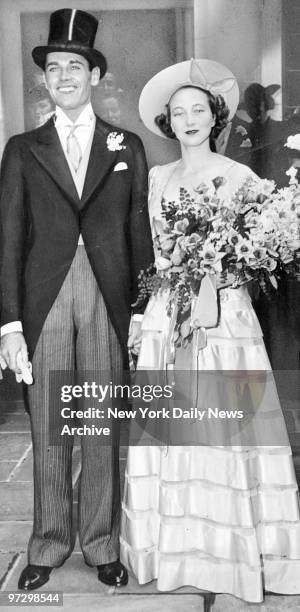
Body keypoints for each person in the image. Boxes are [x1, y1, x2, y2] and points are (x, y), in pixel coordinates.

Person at [120, 59, 300, 603]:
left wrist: (216, 277)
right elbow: (155, 252)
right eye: (179, 112)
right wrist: (148, 308)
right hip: (166, 314)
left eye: (199, 109)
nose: (190, 119)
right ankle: (174, 553)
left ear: (215, 116)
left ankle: (236, 560)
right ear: (167, 123)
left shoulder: (241, 177)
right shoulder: (156, 178)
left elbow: (256, 252)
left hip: (223, 320)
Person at [0, 9, 153, 590]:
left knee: (99, 425)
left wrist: (141, 311)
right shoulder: (23, 148)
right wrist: (9, 324)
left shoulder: (126, 145)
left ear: (95, 76)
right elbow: (9, 239)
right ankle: (49, 541)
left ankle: (99, 542)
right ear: (46, 79)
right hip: (44, 303)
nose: (64, 75)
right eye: (55, 67)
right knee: (50, 425)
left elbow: (140, 233)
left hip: (109, 301)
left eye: (76, 65)